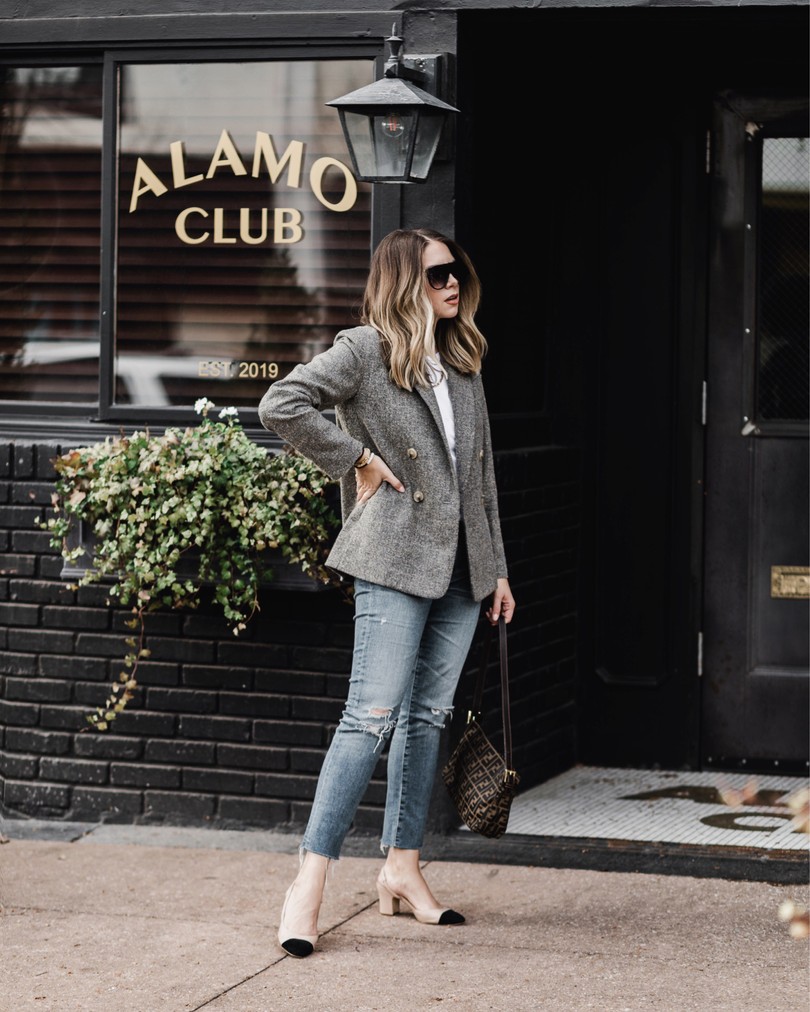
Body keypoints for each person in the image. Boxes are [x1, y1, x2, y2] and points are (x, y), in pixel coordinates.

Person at [258, 227, 515, 958]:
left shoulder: (461, 360)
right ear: (405, 281)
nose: (452, 283)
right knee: (368, 717)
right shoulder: (364, 350)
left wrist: (495, 569)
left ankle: (402, 868)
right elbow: (282, 403)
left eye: (456, 271)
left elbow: (481, 477)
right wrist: (357, 458)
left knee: (427, 716)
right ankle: (308, 881)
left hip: (464, 569)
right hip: (395, 561)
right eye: (437, 275)